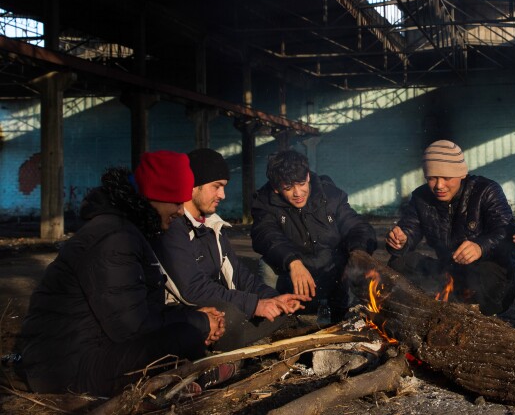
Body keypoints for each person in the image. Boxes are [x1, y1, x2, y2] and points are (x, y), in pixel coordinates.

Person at [17, 151, 232, 397]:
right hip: (63, 370)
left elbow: (141, 308)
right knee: (186, 334)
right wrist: (199, 323)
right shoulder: (114, 238)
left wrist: (191, 314)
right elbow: (131, 326)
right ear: (154, 196)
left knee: (188, 329)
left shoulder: (130, 232)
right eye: (175, 202)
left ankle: (181, 379)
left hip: (87, 351)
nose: (180, 212)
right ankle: (176, 383)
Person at [154, 148, 310, 351]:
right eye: (216, 186)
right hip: (181, 312)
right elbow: (193, 289)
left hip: (215, 307)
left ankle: (236, 345)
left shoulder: (212, 225)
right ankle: (220, 357)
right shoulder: (172, 227)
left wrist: (271, 297)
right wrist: (255, 305)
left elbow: (239, 275)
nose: (223, 195)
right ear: (193, 186)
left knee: (276, 312)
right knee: (231, 315)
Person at [386, 140, 515, 316]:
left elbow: (506, 231)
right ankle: (443, 305)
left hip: (491, 274)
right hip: (450, 271)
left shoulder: (486, 190)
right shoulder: (421, 197)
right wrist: (400, 240)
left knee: (485, 275)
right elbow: (409, 229)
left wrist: (480, 246)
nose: (439, 186)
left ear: (461, 174)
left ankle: (476, 311)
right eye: (432, 178)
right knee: (398, 263)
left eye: (446, 178)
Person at [251, 150, 377, 322]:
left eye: (301, 183)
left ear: (308, 176)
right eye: (288, 188)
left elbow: (357, 226)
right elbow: (265, 234)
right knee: (267, 266)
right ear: (277, 188)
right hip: (295, 274)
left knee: (357, 261)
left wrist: (358, 253)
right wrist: (293, 262)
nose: (298, 193)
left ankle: (345, 309)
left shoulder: (330, 195)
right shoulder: (264, 201)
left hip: (334, 271)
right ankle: (274, 318)